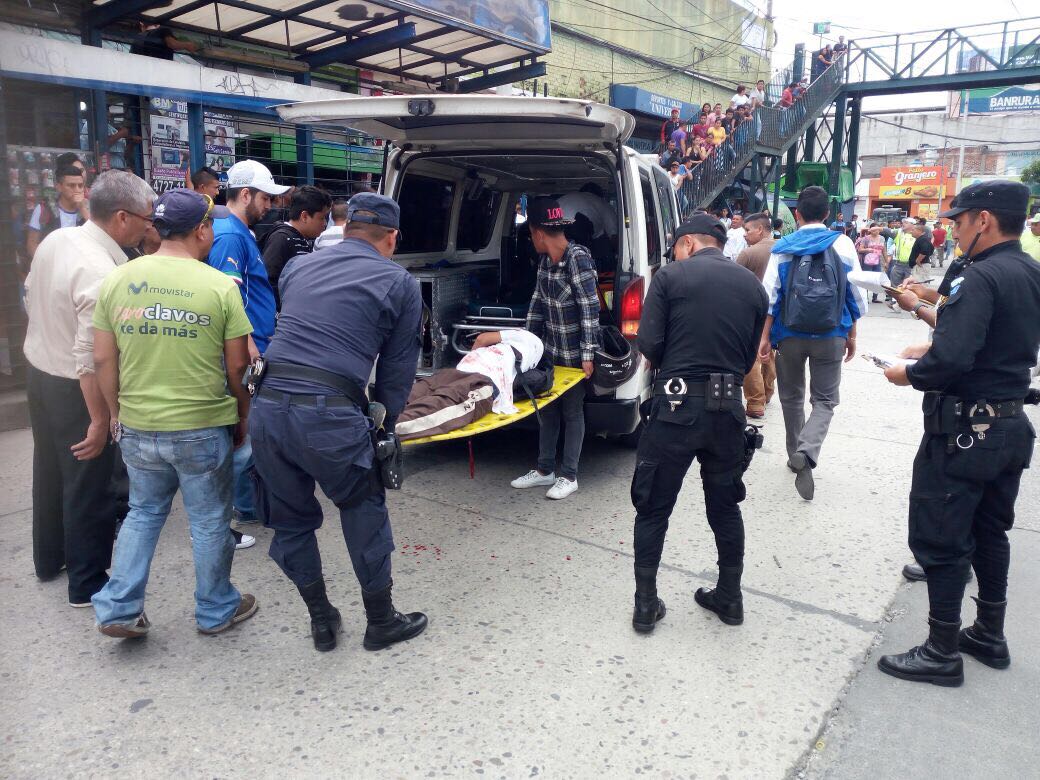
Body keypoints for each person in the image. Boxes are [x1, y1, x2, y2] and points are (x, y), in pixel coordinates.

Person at [877, 181, 1040, 686]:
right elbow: (997, 344)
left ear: (983, 220)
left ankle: (941, 648)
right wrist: (930, 349)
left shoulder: (982, 276)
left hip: (966, 430)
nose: (954, 227)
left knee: (942, 538)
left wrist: (907, 373)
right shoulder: (1030, 271)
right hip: (1009, 423)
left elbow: (951, 358)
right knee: (991, 531)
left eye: (959, 220)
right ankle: (989, 633)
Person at [249, 192, 427, 653]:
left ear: (345, 229)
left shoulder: (298, 266)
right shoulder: (399, 282)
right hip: (328, 414)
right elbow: (397, 368)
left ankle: (321, 618)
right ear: (392, 238)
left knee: (289, 523)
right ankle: (381, 620)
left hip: (266, 409)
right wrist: (384, 429)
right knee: (362, 506)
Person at [89, 189, 258, 638]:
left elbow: (104, 359)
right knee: (208, 521)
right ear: (202, 229)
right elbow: (237, 364)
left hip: (140, 424)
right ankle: (215, 609)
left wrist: (114, 413)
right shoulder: (219, 285)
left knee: (143, 512)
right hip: (201, 426)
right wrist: (242, 416)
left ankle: (120, 608)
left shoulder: (118, 279)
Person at [23, 170, 157, 608]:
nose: (149, 226)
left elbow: (29, 291)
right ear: (121, 217)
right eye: (145, 218)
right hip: (74, 386)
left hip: (40, 370)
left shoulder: (58, 241)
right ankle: (87, 583)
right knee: (90, 482)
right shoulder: (100, 271)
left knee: (50, 469)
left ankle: (50, 559)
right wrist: (102, 418)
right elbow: (91, 358)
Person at [630, 214, 767, 633]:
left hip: (675, 408)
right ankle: (730, 596)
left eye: (674, 247)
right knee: (725, 506)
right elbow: (748, 360)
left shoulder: (672, 277)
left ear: (688, 243)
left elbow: (649, 344)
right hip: (727, 411)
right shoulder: (752, 287)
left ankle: (646, 604)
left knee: (653, 507)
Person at [759, 186, 865, 501]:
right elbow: (855, 294)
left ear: (797, 214)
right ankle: (809, 448)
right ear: (829, 214)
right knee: (825, 401)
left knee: (791, 398)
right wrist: (852, 333)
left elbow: (770, 297)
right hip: (831, 334)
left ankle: (795, 454)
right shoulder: (843, 243)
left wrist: (764, 338)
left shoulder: (784, 246)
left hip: (789, 335)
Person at [206, 159, 288, 527]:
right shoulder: (230, 235)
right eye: (265, 198)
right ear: (245, 194)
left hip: (251, 343)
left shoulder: (236, 232)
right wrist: (249, 343)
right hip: (245, 348)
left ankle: (250, 500)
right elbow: (229, 293)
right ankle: (244, 505)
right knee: (246, 434)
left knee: (251, 431)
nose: (268, 206)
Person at [511, 198, 600, 501]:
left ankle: (569, 475)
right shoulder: (546, 261)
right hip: (550, 353)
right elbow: (537, 304)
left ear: (538, 232)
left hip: (575, 356)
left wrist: (587, 354)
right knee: (547, 410)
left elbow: (590, 308)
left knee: (572, 412)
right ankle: (545, 469)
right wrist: (526, 348)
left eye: (530, 235)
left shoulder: (578, 258)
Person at [259, 184, 332, 309]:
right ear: (304, 216)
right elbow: (268, 281)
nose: (324, 224)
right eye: (321, 218)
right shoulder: (281, 238)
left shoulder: (303, 239)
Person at [735, 213, 776, 417]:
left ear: (760, 229)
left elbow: (734, 284)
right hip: (776, 312)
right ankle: (768, 392)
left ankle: (755, 402)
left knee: (750, 356)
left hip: (752, 311)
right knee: (768, 350)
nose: (744, 235)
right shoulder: (784, 249)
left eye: (747, 230)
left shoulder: (749, 254)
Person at [26, 165, 88, 258]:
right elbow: (32, 243)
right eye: (71, 185)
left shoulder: (89, 209)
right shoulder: (44, 208)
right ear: (59, 187)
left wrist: (83, 209)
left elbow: (100, 238)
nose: (77, 190)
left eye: (80, 186)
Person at [855, 222, 889, 301]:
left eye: (877, 230)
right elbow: (860, 249)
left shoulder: (882, 238)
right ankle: (865, 297)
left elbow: (884, 250)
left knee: (877, 279)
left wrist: (886, 262)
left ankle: (875, 297)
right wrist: (868, 249)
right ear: (870, 230)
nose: (876, 232)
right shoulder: (866, 238)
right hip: (867, 262)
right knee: (867, 279)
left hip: (878, 261)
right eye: (874, 230)